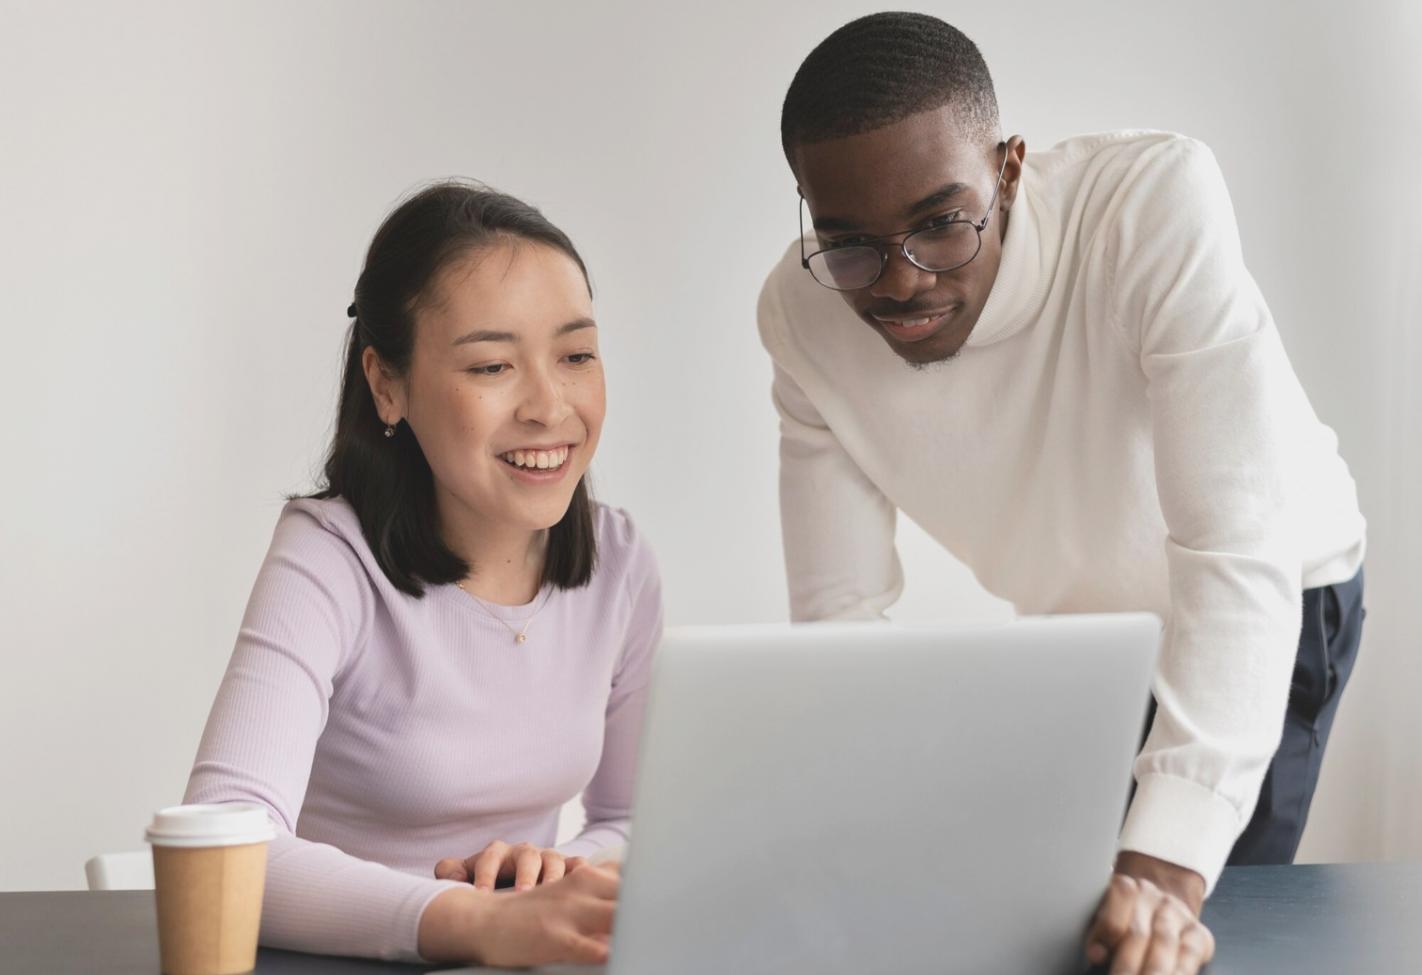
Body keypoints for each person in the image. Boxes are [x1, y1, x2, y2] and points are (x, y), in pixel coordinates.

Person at [757, 13, 1366, 975]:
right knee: (1048, 932)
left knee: (1168, 939)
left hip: (1277, 591)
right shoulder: (799, 316)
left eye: (940, 223)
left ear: (1008, 167)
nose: (901, 282)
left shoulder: (1150, 204)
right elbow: (841, 615)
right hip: (1089, 630)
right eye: (851, 245)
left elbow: (1234, 539)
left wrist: (1166, 872)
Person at [184, 182, 662, 967]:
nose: (550, 405)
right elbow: (224, 842)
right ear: (387, 384)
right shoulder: (329, 555)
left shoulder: (620, 562)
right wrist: (471, 918)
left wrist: (557, 876)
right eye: (492, 365)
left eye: (577, 355)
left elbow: (635, 820)